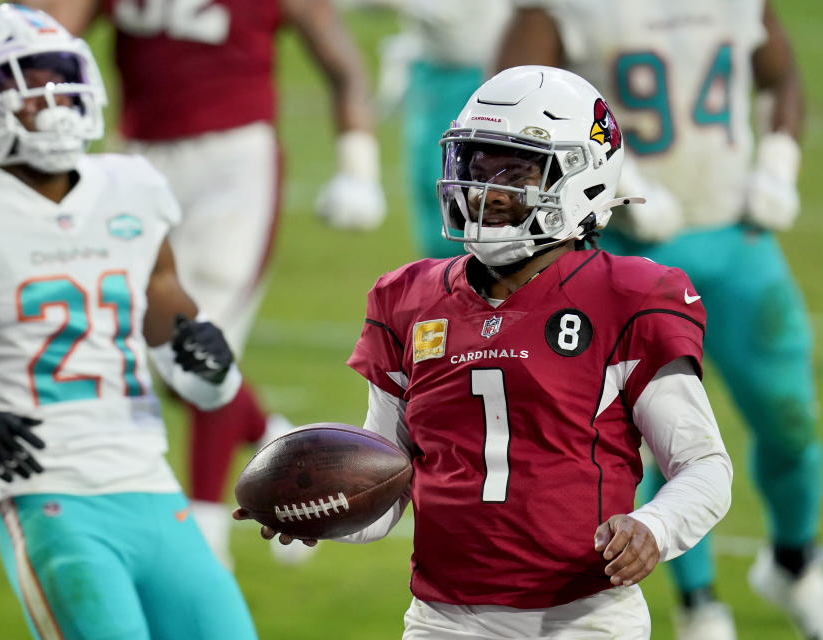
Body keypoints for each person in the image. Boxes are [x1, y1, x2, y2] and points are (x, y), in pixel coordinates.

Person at [236, 65, 734, 639]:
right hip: (442, 620)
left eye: (515, 171)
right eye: (476, 167)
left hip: (583, 618)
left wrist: (653, 528)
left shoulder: (627, 296)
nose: (486, 191)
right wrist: (323, 511)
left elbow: (703, 466)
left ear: (582, 178)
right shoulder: (408, 299)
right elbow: (385, 489)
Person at [0, 5, 256, 639]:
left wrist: (211, 362)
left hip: (153, 486)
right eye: (26, 84)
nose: (53, 100)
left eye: (61, 77)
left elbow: (196, 375)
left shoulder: (131, 190)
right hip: (50, 495)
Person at [494, 3, 823, 639]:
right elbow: (509, 110)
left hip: (738, 237)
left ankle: (794, 559)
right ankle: (699, 603)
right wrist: (615, 179)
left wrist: (778, 159)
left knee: (790, 419)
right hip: (624, 251)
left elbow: (779, 74)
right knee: (643, 437)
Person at [25, 0, 385, 567]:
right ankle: (277, 441)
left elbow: (339, 59)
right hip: (138, 158)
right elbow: (42, 37)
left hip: (234, 163)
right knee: (154, 353)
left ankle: (204, 538)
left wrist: (357, 161)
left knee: (202, 345)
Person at [371, 0, 512, 259]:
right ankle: (445, 278)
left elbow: (444, 12)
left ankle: (474, 270)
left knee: (472, 183)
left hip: (476, 72)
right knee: (430, 183)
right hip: (433, 71)